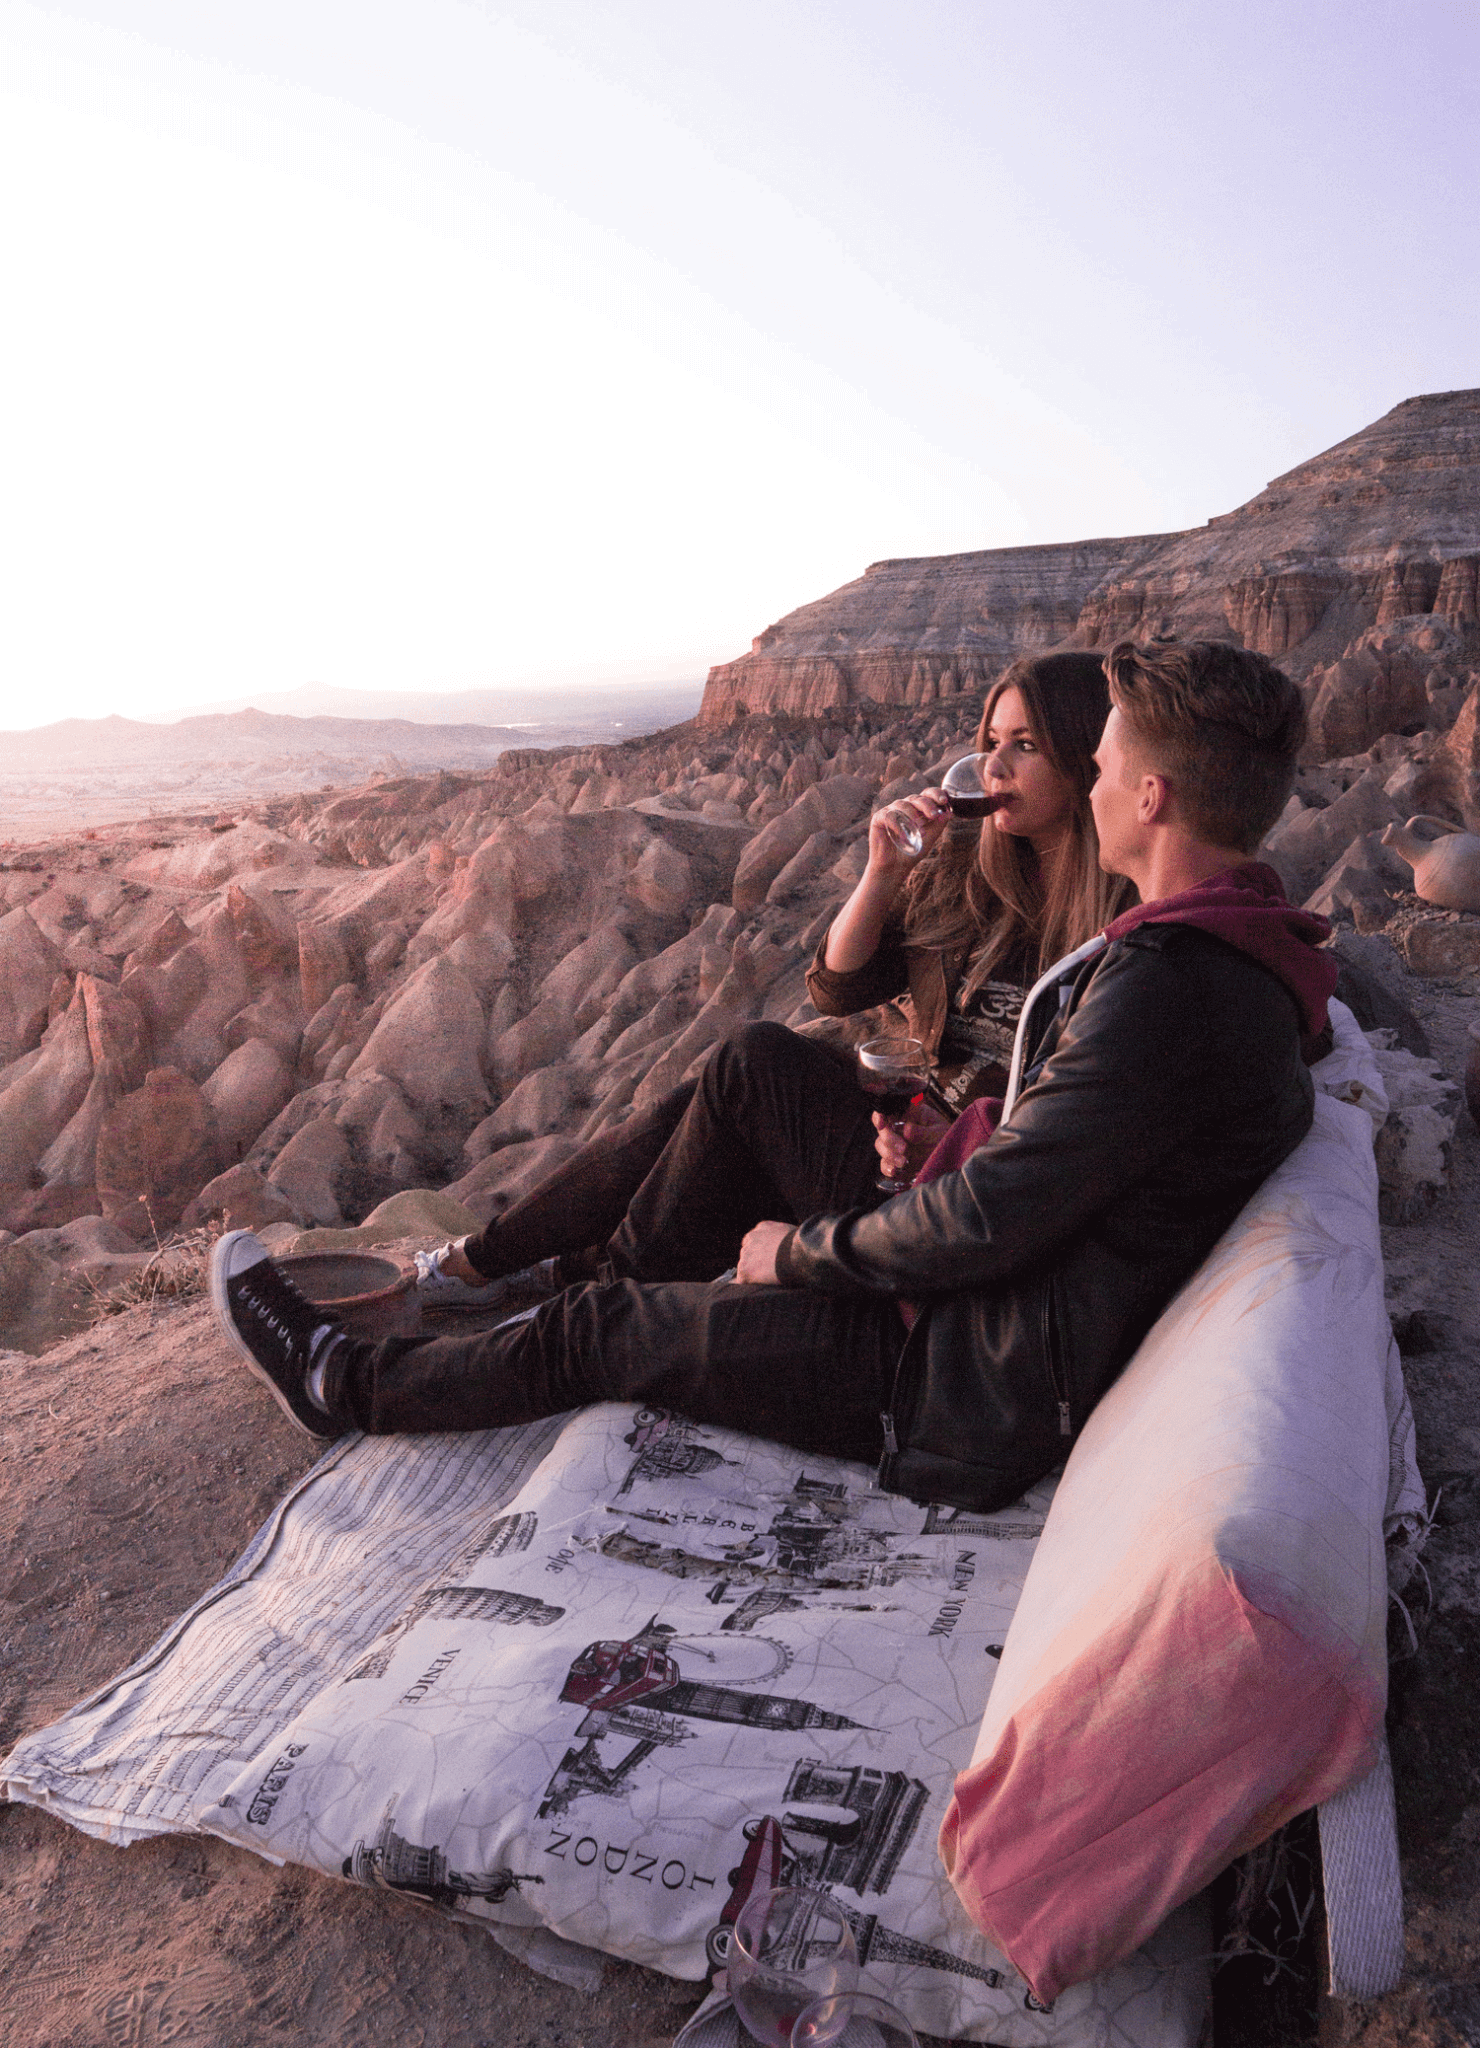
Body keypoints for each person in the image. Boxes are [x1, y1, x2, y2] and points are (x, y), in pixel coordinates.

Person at [210, 638, 1337, 1514]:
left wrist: (792, 1253)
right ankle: (487, 1292)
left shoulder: (1170, 982)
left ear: (1148, 799)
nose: (1086, 784)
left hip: (950, 1373)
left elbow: (998, 1218)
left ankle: (340, 1386)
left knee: (605, 1325)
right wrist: (950, 1130)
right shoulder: (1222, 952)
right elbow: (1051, 1154)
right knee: (754, 1065)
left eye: (1097, 764)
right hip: (979, 1308)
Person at [415, 651, 1127, 1309]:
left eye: (1025, 746)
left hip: (954, 1194)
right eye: (991, 740)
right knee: (715, 1095)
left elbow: (1075, 1132)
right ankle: (508, 1264)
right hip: (898, 1139)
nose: (992, 767)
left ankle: (588, 1296)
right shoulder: (974, 878)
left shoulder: (1124, 927)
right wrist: (881, 873)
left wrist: (964, 1135)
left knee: (753, 1061)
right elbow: (837, 991)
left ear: (1086, 760)